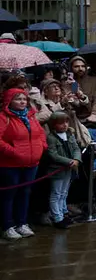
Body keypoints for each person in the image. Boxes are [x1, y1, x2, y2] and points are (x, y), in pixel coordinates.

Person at [0, 88, 46, 240]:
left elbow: (40, 134)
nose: (22, 102)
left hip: (32, 162)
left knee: (25, 193)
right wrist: (14, 152)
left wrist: (42, 147)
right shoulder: (3, 117)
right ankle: (8, 225)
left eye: (24, 99)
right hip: (10, 164)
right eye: (18, 99)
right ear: (9, 101)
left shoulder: (30, 116)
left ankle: (22, 222)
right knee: (9, 195)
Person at [43, 112, 80, 229]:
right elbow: (53, 154)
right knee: (56, 193)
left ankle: (64, 213)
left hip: (70, 169)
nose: (64, 125)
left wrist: (76, 159)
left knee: (64, 193)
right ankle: (57, 217)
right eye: (61, 123)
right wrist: (68, 161)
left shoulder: (69, 135)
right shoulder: (51, 138)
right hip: (57, 170)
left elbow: (76, 148)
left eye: (66, 122)